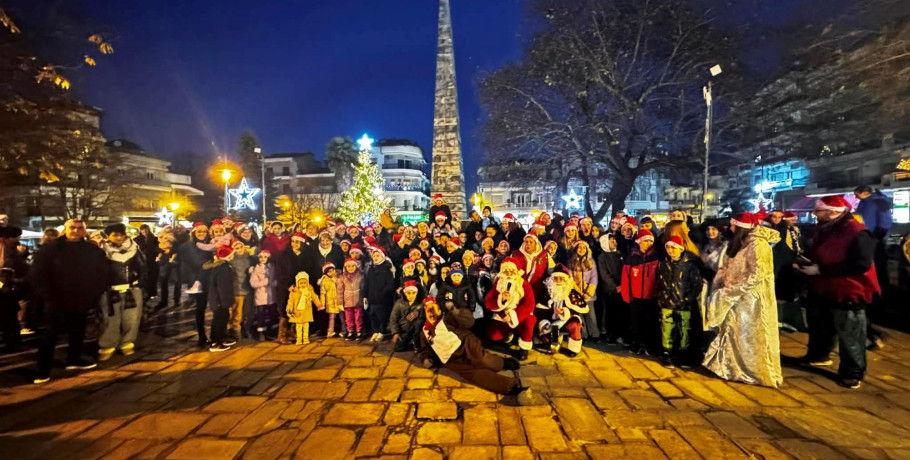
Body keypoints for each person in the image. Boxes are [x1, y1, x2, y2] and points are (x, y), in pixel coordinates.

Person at [799, 195, 880, 389]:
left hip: (849, 290)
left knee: (850, 334)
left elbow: (860, 264)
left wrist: (821, 270)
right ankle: (819, 355)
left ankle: (852, 372)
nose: (815, 214)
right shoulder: (825, 229)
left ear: (833, 212)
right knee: (822, 327)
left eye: (819, 211)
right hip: (824, 288)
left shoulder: (857, 232)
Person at [703, 213, 782, 388]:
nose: (730, 229)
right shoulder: (742, 243)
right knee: (733, 332)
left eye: (733, 226)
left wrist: (732, 291)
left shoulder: (758, 245)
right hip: (735, 297)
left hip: (751, 300)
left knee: (748, 336)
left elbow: (757, 274)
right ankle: (729, 367)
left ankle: (751, 371)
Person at [31, 219, 111, 383]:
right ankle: (43, 369)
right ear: (65, 230)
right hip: (55, 298)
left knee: (78, 330)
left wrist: (93, 294)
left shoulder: (91, 249)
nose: (75, 231)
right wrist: (47, 294)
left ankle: (73, 358)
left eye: (79, 228)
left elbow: (102, 273)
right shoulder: (50, 249)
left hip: (81, 298)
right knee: (50, 334)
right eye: (72, 228)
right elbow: (37, 273)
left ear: (84, 231)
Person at [420, 297, 529, 401]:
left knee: (482, 359)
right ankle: (510, 387)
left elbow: (469, 321)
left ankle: (503, 363)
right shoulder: (424, 332)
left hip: (465, 344)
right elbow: (425, 350)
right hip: (451, 359)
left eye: (433, 309)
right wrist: (426, 359)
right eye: (428, 311)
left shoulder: (448, 319)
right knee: (475, 375)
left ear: (438, 309)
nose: (432, 313)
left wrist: (455, 311)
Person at [98, 224, 146, 361]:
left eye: (121, 234)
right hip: (110, 290)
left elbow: (143, 267)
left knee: (131, 318)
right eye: (115, 235)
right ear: (108, 236)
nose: (119, 237)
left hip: (132, 288)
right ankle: (107, 345)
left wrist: (141, 283)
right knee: (110, 319)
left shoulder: (135, 249)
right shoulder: (102, 251)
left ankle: (127, 342)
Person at [853, 185, 892, 349]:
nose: (856, 198)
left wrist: (869, 238)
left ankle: (873, 328)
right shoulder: (878, 201)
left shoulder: (871, 203)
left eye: (857, 195)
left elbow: (868, 223)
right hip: (875, 241)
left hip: (871, 241)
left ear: (863, 193)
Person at [657, 236, 704, 367]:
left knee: (684, 329)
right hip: (667, 301)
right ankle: (667, 353)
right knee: (667, 329)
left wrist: (688, 299)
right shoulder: (664, 263)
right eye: (668, 248)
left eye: (673, 248)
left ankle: (684, 353)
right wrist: (661, 296)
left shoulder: (689, 264)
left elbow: (696, 284)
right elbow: (659, 281)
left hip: (683, 302)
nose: (670, 251)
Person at [485, 257, 536, 360]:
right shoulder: (498, 283)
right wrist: (501, 299)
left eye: (511, 270)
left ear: (516, 271)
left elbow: (529, 304)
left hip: (520, 315)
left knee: (529, 322)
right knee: (493, 336)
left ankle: (524, 348)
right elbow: (489, 301)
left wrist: (513, 315)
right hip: (503, 313)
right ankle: (509, 336)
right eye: (506, 270)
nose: (508, 273)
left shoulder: (524, 284)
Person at [620, 229, 659, 354]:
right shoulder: (631, 257)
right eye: (645, 241)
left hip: (651, 296)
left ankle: (649, 345)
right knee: (636, 322)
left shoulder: (656, 257)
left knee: (650, 322)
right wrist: (626, 294)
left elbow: (659, 277)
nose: (647, 243)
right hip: (635, 296)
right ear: (639, 242)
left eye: (650, 241)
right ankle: (636, 343)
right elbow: (625, 277)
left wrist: (658, 295)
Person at [535, 266, 589, 357]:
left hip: (566, 321)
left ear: (566, 280)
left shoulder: (571, 293)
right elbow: (540, 309)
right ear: (552, 279)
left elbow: (578, 309)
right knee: (546, 340)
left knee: (575, 324)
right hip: (550, 321)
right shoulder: (547, 292)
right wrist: (552, 312)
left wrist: (564, 311)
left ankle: (573, 349)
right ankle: (555, 337)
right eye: (556, 279)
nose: (559, 281)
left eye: (561, 279)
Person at [205, 246, 238, 351]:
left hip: (219, 300)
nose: (233, 256)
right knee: (219, 320)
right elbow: (222, 286)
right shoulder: (222, 268)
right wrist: (225, 302)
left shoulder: (223, 266)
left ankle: (220, 338)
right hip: (219, 300)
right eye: (231, 254)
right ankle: (216, 342)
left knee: (223, 319)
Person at [567, 240, 599, 342]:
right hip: (577, 293)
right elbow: (570, 277)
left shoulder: (591, 261)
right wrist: (575, 290)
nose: (581, 250)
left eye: (583, 248)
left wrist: (590, 290)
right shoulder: (571, 262)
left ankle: (594, 333)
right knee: (579, 314)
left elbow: (594, 277)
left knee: (590, 314)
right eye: (579, 248)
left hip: (588, 293)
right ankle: (583, 334)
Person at [596, 234, 624, 344]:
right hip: (609, 290)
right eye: (611, 240)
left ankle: (618, 333)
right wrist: (614, 286)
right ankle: (610, 334)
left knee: (619, 312)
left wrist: (623, 285)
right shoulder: (602, 257)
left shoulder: (619, 254)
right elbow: (604, 274)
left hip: (621, 288)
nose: (614, 241)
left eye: (614, 239)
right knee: (609, 313)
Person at [364, 246, 395, 342]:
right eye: (374, 256)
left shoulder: (386, 270)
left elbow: (390, 285)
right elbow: (367, 283)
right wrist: (365, 295)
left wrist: (383, 293)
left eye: (378, 256)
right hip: (372, 297)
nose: (375, 258)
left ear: (382, 257)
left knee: (382, 316)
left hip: (382, 299)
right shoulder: (371, 269)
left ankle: (381, 332)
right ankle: (375, 331)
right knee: (373, 315)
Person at [287, 271, 323, 345]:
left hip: (306, 311)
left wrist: (319, 304)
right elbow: (290, 301)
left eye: (304, 282)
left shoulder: (309, 291)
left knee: (306, 326)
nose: (303, 285)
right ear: (297, 283)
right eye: (301, 283)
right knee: (298, 326)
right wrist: (289, 309)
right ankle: (299, 339)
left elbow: (314, 298)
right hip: (298, 312)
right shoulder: (294, 292)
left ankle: (306, 338)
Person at [249, 250, 277, 341]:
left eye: (265, 257)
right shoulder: (256, 269)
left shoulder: (272, 267)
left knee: (272, 313)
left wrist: (275, 283)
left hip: (271, 295)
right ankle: (261, 332)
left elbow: (276, 278)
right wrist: (265, 282)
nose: (263, 259)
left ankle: (273, 331)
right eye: (261, 257)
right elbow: (253, 283)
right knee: (261, 315)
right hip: (261, 296)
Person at [390, 280, 425, 352]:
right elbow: (393, 319)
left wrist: (418, 312)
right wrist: (395, 332)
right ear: (405, 293)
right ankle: (411, 343)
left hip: (417, 328)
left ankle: (416, 342)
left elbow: (427, 313)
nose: (411, 295)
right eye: (408, 293)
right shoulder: (399, 303)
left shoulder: (421, 302)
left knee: (419, 322)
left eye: (413, 293)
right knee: (397, 347)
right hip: (405, 328)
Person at [338, 258, 365, 340]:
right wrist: (339, 302)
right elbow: (339, 291)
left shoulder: (360, 276)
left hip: (358, 300)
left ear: (356, 266)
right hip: (347, 301)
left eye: (353, 266)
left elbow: (363, 287)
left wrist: (364, 298)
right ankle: (350, 330)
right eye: (348, 266)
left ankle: (359, 331)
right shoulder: (342, 277)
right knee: (349, 317)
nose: (351, 268)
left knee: (358, 316)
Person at [318, 262, 344, 338]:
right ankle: (330, 331)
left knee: (342, 317)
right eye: (329, 271)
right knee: (332, 317)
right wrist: (322, 304)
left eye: (333, 270)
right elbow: (322, 293)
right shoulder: (325, 281)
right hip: (331, 302)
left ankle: (344, 330)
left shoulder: (339, 277)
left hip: (340, 301)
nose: (332, 272)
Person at [134, 224, 159, 300]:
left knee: (152, 278)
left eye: (146, 229)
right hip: (141, 261)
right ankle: (145, 293)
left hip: (152, 261)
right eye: (142, 229)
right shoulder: (136, 240)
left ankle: (152, 293)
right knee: (143, 278)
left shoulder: (155, 239)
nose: (144, 231)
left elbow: (158, 249)